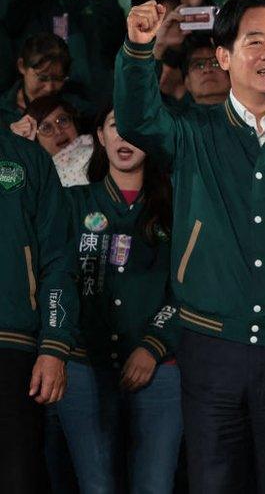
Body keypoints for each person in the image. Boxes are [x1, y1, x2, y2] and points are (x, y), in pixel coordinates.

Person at [116, 0, 265, 493]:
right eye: (256, 40)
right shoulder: (191, 132)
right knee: (213, 479)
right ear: (224, 57)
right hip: (210, 343)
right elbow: (136, 120)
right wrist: (139, 49)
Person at [52, 108, 182, 493]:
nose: (125, 139)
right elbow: (56, 280)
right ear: (100, 136)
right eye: (115, 127)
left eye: (135, 129)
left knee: (155, 485)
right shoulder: (73, 203)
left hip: (158, 369)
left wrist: (151, 346)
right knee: (96, 486)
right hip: (83, 367)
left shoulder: (176, 206)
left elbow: (188, 288)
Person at [0, 92, 78, 494]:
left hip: (12, 347)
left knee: (18, 480)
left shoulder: (25, 156)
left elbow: (58, 260)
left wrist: (54, 345)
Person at [1, 0, 125, 110]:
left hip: (94, 113)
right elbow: (5, 16)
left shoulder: (100, 2)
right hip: (31, 113)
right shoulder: (26, 3)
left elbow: (117, 39)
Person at [0, 32, 95, 129]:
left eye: (58, 79)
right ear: (22, 66)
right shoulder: (3, 112)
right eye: (42, 78)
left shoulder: (78, 107)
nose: (49, 88)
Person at [11, 96, 93, 187]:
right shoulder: (39, 174)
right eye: (46, 128)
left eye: (63, 120)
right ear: (35, 139)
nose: (58, 131)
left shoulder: (99, 147)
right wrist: (15, 147)